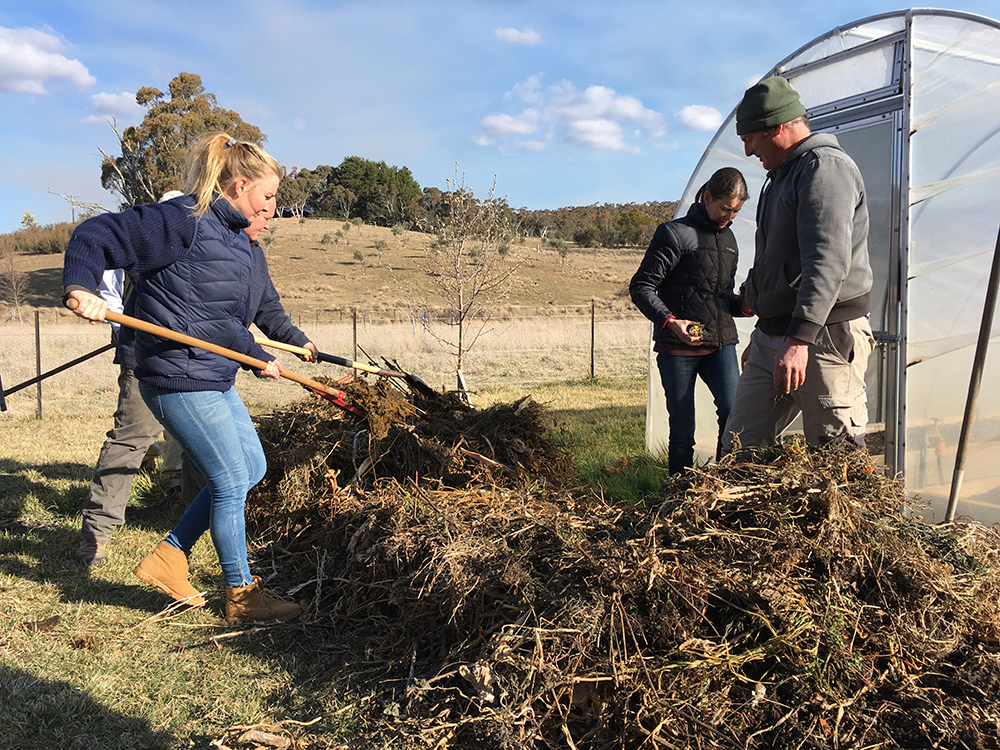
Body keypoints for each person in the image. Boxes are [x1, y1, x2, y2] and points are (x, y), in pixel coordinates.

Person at [63, 132, 304, 623]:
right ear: (239, 185)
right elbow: (97, 235)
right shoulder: (183, 220)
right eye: (269, 195)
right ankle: (241, 596)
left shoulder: (241, 244)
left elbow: (229, 319)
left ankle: (169, 557)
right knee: (231, 477)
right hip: (174, 374)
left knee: (250, 468)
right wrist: (80, 286)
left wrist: (269, 349)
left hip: (212, 374)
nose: (274, 207)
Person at [722, 76, 875, 452]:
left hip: (823, 336)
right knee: (740, 449)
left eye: (750, 139)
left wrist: (797, 339)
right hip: (778, 334)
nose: (747, 152)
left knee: (836, 459)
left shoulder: (824, 168)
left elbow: (827, 260)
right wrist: (765, 325)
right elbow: (777, 259)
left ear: (777, 128)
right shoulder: (781, 177)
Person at [630, 168, 751, 475]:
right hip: (677, 350)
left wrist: (745, 306)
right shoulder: (674, 233)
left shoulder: (730, 239)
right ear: (707, 197)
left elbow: (721, 296)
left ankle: (722, 489)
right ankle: (678, 500)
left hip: (720, 344)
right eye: (725, 208)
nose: (730, 216)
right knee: (683, 434)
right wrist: (670, 322)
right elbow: (642, 287)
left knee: (733, 419)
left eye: (736, 210)